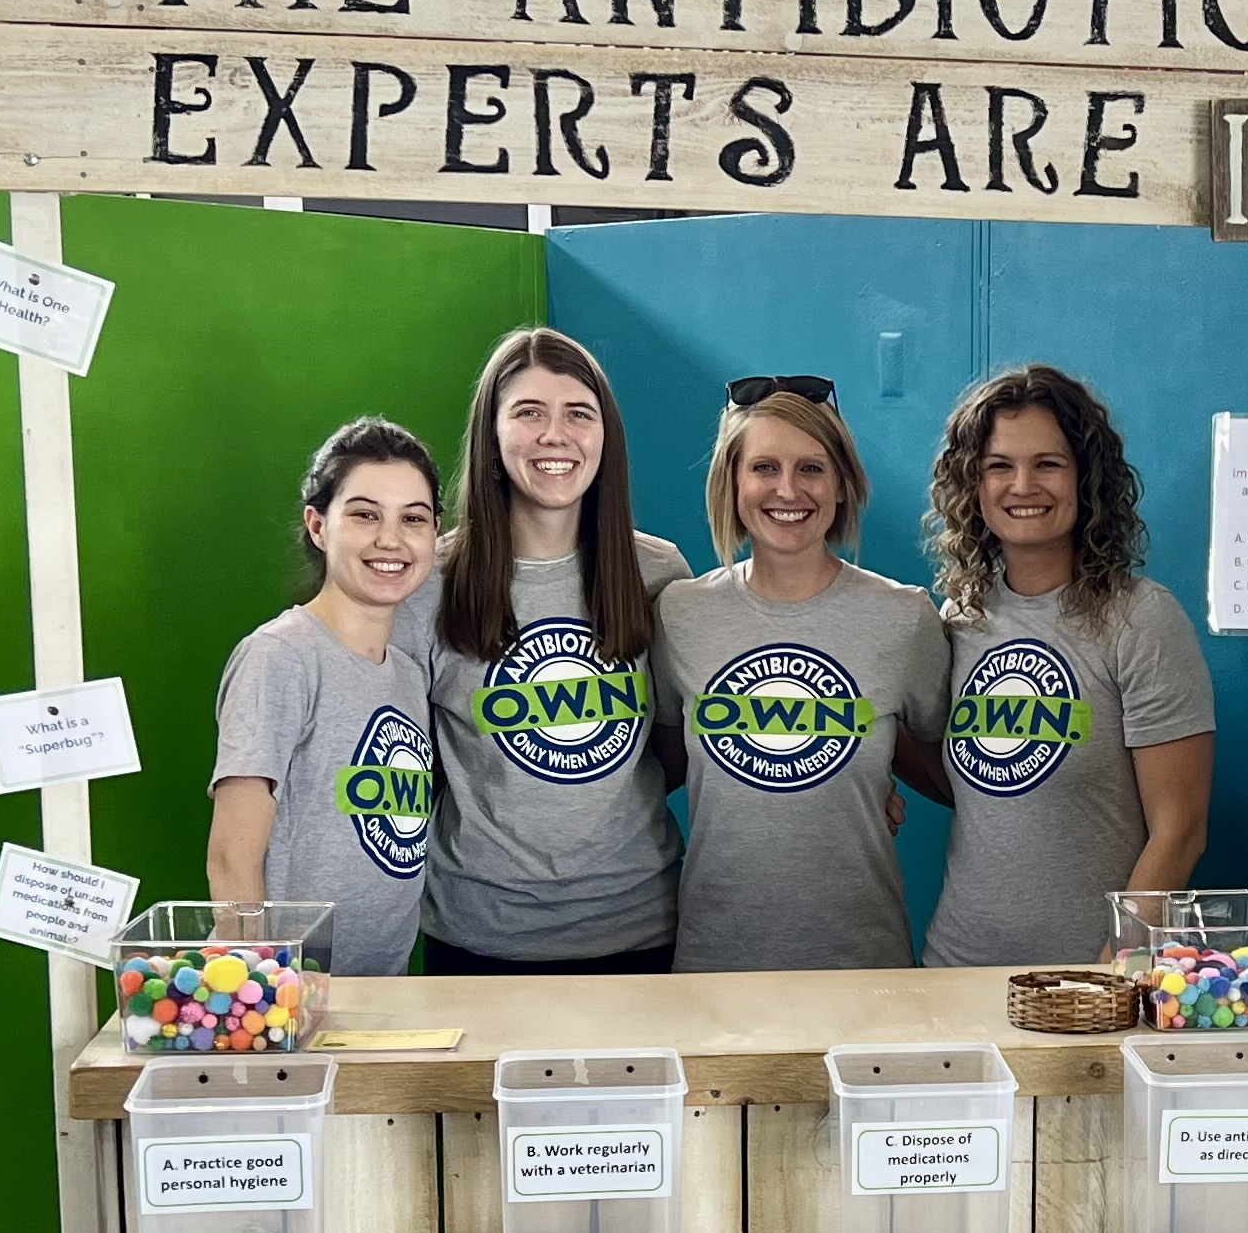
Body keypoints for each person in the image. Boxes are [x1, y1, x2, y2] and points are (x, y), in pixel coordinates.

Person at [395, 327, 691, 975]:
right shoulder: (429, 582)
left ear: (604, 436)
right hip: (478, 937)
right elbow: (407, 760)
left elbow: (677, 746)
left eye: (578, 414)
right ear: (493, 436)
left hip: (639, 928)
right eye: (528, 413)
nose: (555, 435)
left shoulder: (658, 572)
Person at [919, 365, 1214, 968]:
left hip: (1088, 973)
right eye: (999, 466)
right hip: (956, 967)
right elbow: (977, 786)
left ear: (1088, 479)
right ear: (973, 485)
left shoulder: (1142, 619)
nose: (1022, 485)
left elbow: (1180, 831)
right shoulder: (962, 615)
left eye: (1048, 464)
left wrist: (1110, 969)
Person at [651, 378, 949, 973]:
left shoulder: (904, 616)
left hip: (863, 966)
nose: (787, 489)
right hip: (713, 965)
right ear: (732, 484)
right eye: (764, 467)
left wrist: (863, 778)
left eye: (811, 467)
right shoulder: (681, 612)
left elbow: (958, 768)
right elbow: (659, 761)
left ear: (841, 485)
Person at [209, 419, 440, 977]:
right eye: (364, 515)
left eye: (413, 518)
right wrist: (263, 998)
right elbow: (230, 859)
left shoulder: (409, 677)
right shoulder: (281, 657)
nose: (391, 539)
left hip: (385, 994)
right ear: (318, 525)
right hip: (292, 1004)